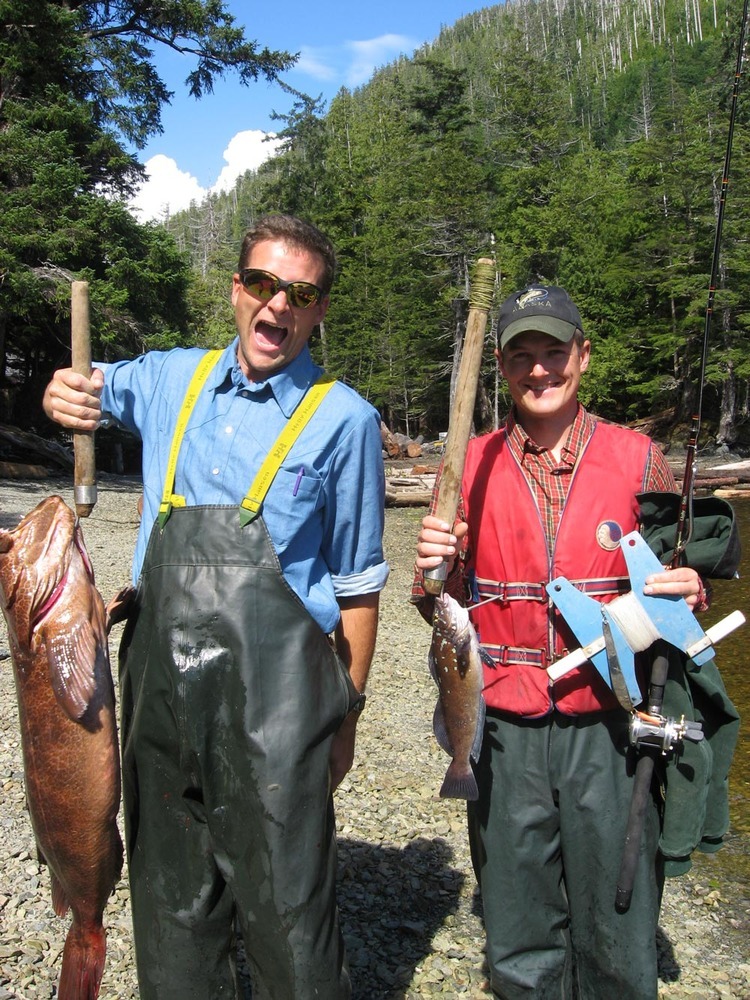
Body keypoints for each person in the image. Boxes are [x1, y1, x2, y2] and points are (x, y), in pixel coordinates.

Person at [43, 213, 389, 1000]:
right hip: (158, 697)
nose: (277, 308)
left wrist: (348, 715)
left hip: (281, 710)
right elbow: (84, 385)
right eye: (263, 285)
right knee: (172, 904)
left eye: (299, 294)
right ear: (237, 288)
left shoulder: (346, 420)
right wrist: (63, 392)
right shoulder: (170, 379)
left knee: (291, 919)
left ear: (319, 310)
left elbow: (360, 584)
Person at [412, 284, 719, 999]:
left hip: (613, 726)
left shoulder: (640, 458)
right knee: (518, 929)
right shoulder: (467, 465)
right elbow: (436, 611)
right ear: (501, 366)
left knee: (618, 921)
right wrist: (432, 569)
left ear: (582, 356)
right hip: (504, 725)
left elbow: (676, 590)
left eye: (555, 352)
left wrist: (687, 590)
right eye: (523, 356)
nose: (540, 370)